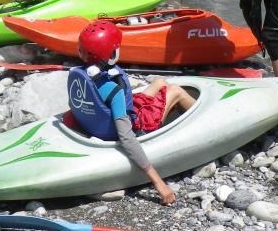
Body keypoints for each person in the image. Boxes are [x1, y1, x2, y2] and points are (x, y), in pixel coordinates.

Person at [65, 20, 196, 205]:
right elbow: (126, 137)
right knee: (176, 91)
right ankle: (203, 115)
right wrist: (158, 183)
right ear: (111, 54)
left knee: (159, 82)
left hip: (108, 113)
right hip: (137, 125)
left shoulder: (86, 75)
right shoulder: (115, 91)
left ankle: (174, 99)